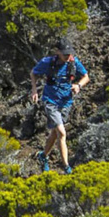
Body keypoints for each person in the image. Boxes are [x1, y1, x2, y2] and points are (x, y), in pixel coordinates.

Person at [30, 39, 89, 174]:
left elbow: (86, 76)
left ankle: (43, 156)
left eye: (69, 54)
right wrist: (34, 90)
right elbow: (33, 73)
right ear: (58, 52)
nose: (68, 56)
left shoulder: (73, 62)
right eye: (65, 54)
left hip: (66, 102)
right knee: (62, 133)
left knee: (55, 133)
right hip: (50, 101)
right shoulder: (48, 62)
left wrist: (78, 85)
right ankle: (66, 167)